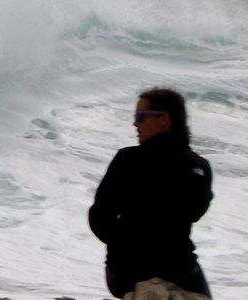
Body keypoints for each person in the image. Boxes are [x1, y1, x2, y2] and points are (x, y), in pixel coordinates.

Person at [89, 88, 213, 298]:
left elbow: (99, 217)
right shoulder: (199, 167)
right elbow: (195, 213)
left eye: (140, 117)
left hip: (124, 273)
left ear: (163, 119)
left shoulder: (127, 160)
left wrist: (124, 248)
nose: (135, 124)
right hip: (178, 269)